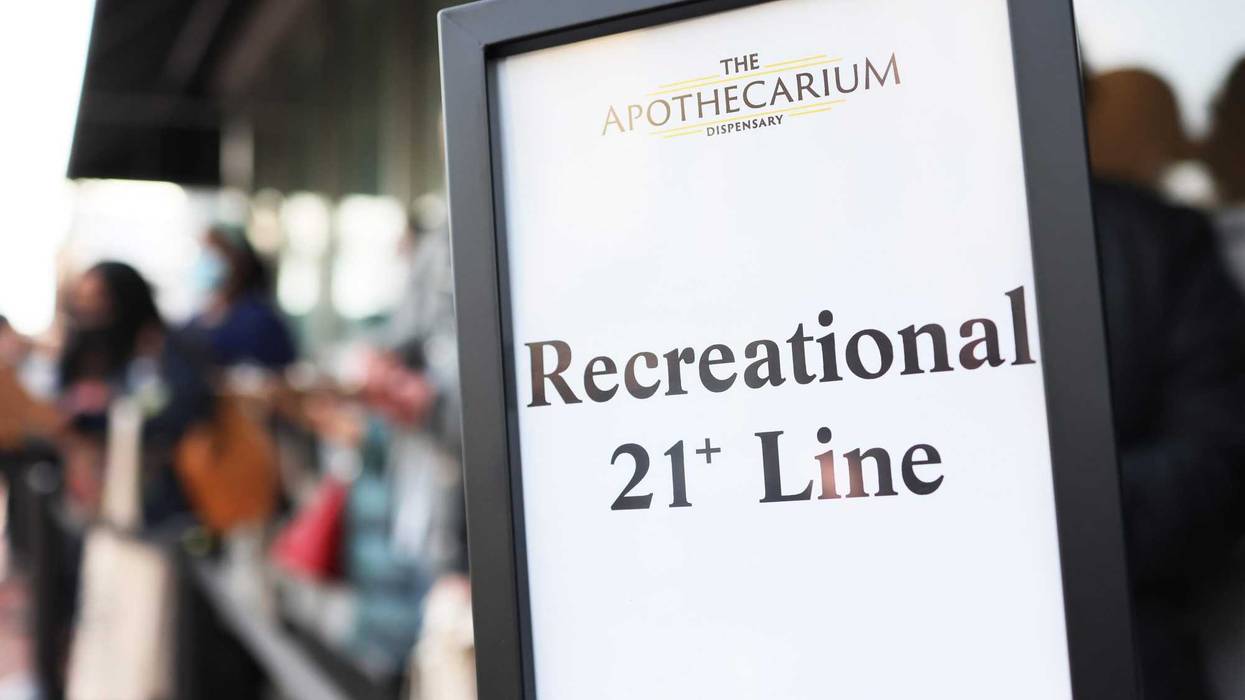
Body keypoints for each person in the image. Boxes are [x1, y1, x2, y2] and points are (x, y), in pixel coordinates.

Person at [1094, 180, 1245, 700]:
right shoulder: (871, 230)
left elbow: (1223, 465)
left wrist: (1039, 515)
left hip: (1120, 642)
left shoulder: (1158, 242)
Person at [57, 261, 212, 528]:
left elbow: (186, 407)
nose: (90, 309)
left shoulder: (166, 347)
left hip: (165, 489)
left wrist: (115, 406)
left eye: (99, 299)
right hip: (96, 490)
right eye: (83, 299)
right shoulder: (85, 346)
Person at [186, 225, 296, 371]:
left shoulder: (260, 321)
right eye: (202, 251)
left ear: (237, 260)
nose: (205, 259)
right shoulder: (194, 322)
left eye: (213, 252)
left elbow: (283, 376)